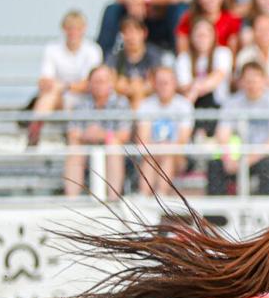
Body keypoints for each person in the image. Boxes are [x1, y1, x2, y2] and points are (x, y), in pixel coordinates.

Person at [207, 62, 269, 195]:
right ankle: (216, 215)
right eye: (248, 81)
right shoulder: (232, 103)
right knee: (215, 166)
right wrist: (229, 159)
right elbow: (222, 134)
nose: (252, 85)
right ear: (241, 82)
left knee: (268, 167)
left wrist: (246, 161)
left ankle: (264, 212)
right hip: (240, 156)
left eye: (255, 81)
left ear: (264, 80)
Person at [28, 10, 103, 145]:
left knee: (53, 93)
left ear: (84, 29)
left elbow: (91, 85)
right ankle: (34, 134)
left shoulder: (93, 50)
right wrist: (60, 87)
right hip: (60, 98)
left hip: (86, 100)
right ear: (64, 29)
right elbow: (44, 82)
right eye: (70, 28)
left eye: (77, 28)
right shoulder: (52, 49)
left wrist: (63, 86)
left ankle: (35, 135)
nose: (73, 32)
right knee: (49, 94)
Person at [63, 66, 130, 197]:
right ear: (89, 84)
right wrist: (85, 135)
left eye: (104, 81)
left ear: (111, 83)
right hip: (86, 147)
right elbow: (72, 133)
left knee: (113, 145)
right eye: (96, 81)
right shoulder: (80, 104)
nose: (100, 85)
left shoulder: (121, 103)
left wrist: (103, 135)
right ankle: (71, 199)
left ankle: (113, 198)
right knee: (74, 146)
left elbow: (124, 135)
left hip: (113, 150)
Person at [135, 66, 194, 196]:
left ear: (174, 84)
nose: (163, 87)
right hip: (152, 154)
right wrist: (158, 148)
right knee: (151, 158)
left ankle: (160, 195)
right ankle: (144, 196)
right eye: (159, 83)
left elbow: (182, 140)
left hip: (177, 156)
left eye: (166, 83)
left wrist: (163, 148)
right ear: (154, 85)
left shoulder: (184, 105)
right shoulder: (146, 105)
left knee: (168, 154)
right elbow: (142, 140)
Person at [175, 18, 232, 137]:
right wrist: (197, 88)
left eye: (206, 35)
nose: (202, 39)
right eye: (199, 35)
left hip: (219, 106)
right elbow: (184, 88)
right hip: (195, 106)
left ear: (213, 36)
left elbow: (217, 79)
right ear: (192, 37)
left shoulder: (223, 52)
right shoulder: (184, 58)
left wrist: (195, 87)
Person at [105, 16, 167, 109]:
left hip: (149, 99)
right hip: (121, 99)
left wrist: (135, 88)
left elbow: (155, 81)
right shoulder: (115, 56)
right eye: (127, 32)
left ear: (144, 33)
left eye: (135, 32)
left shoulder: (154, 54)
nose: (131, 37)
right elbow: (111, 81)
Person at [175, 0, 242, 53]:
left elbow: (233, 49)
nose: (211, 0)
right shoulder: (188, 18)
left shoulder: (231, 19)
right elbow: (182, 49)